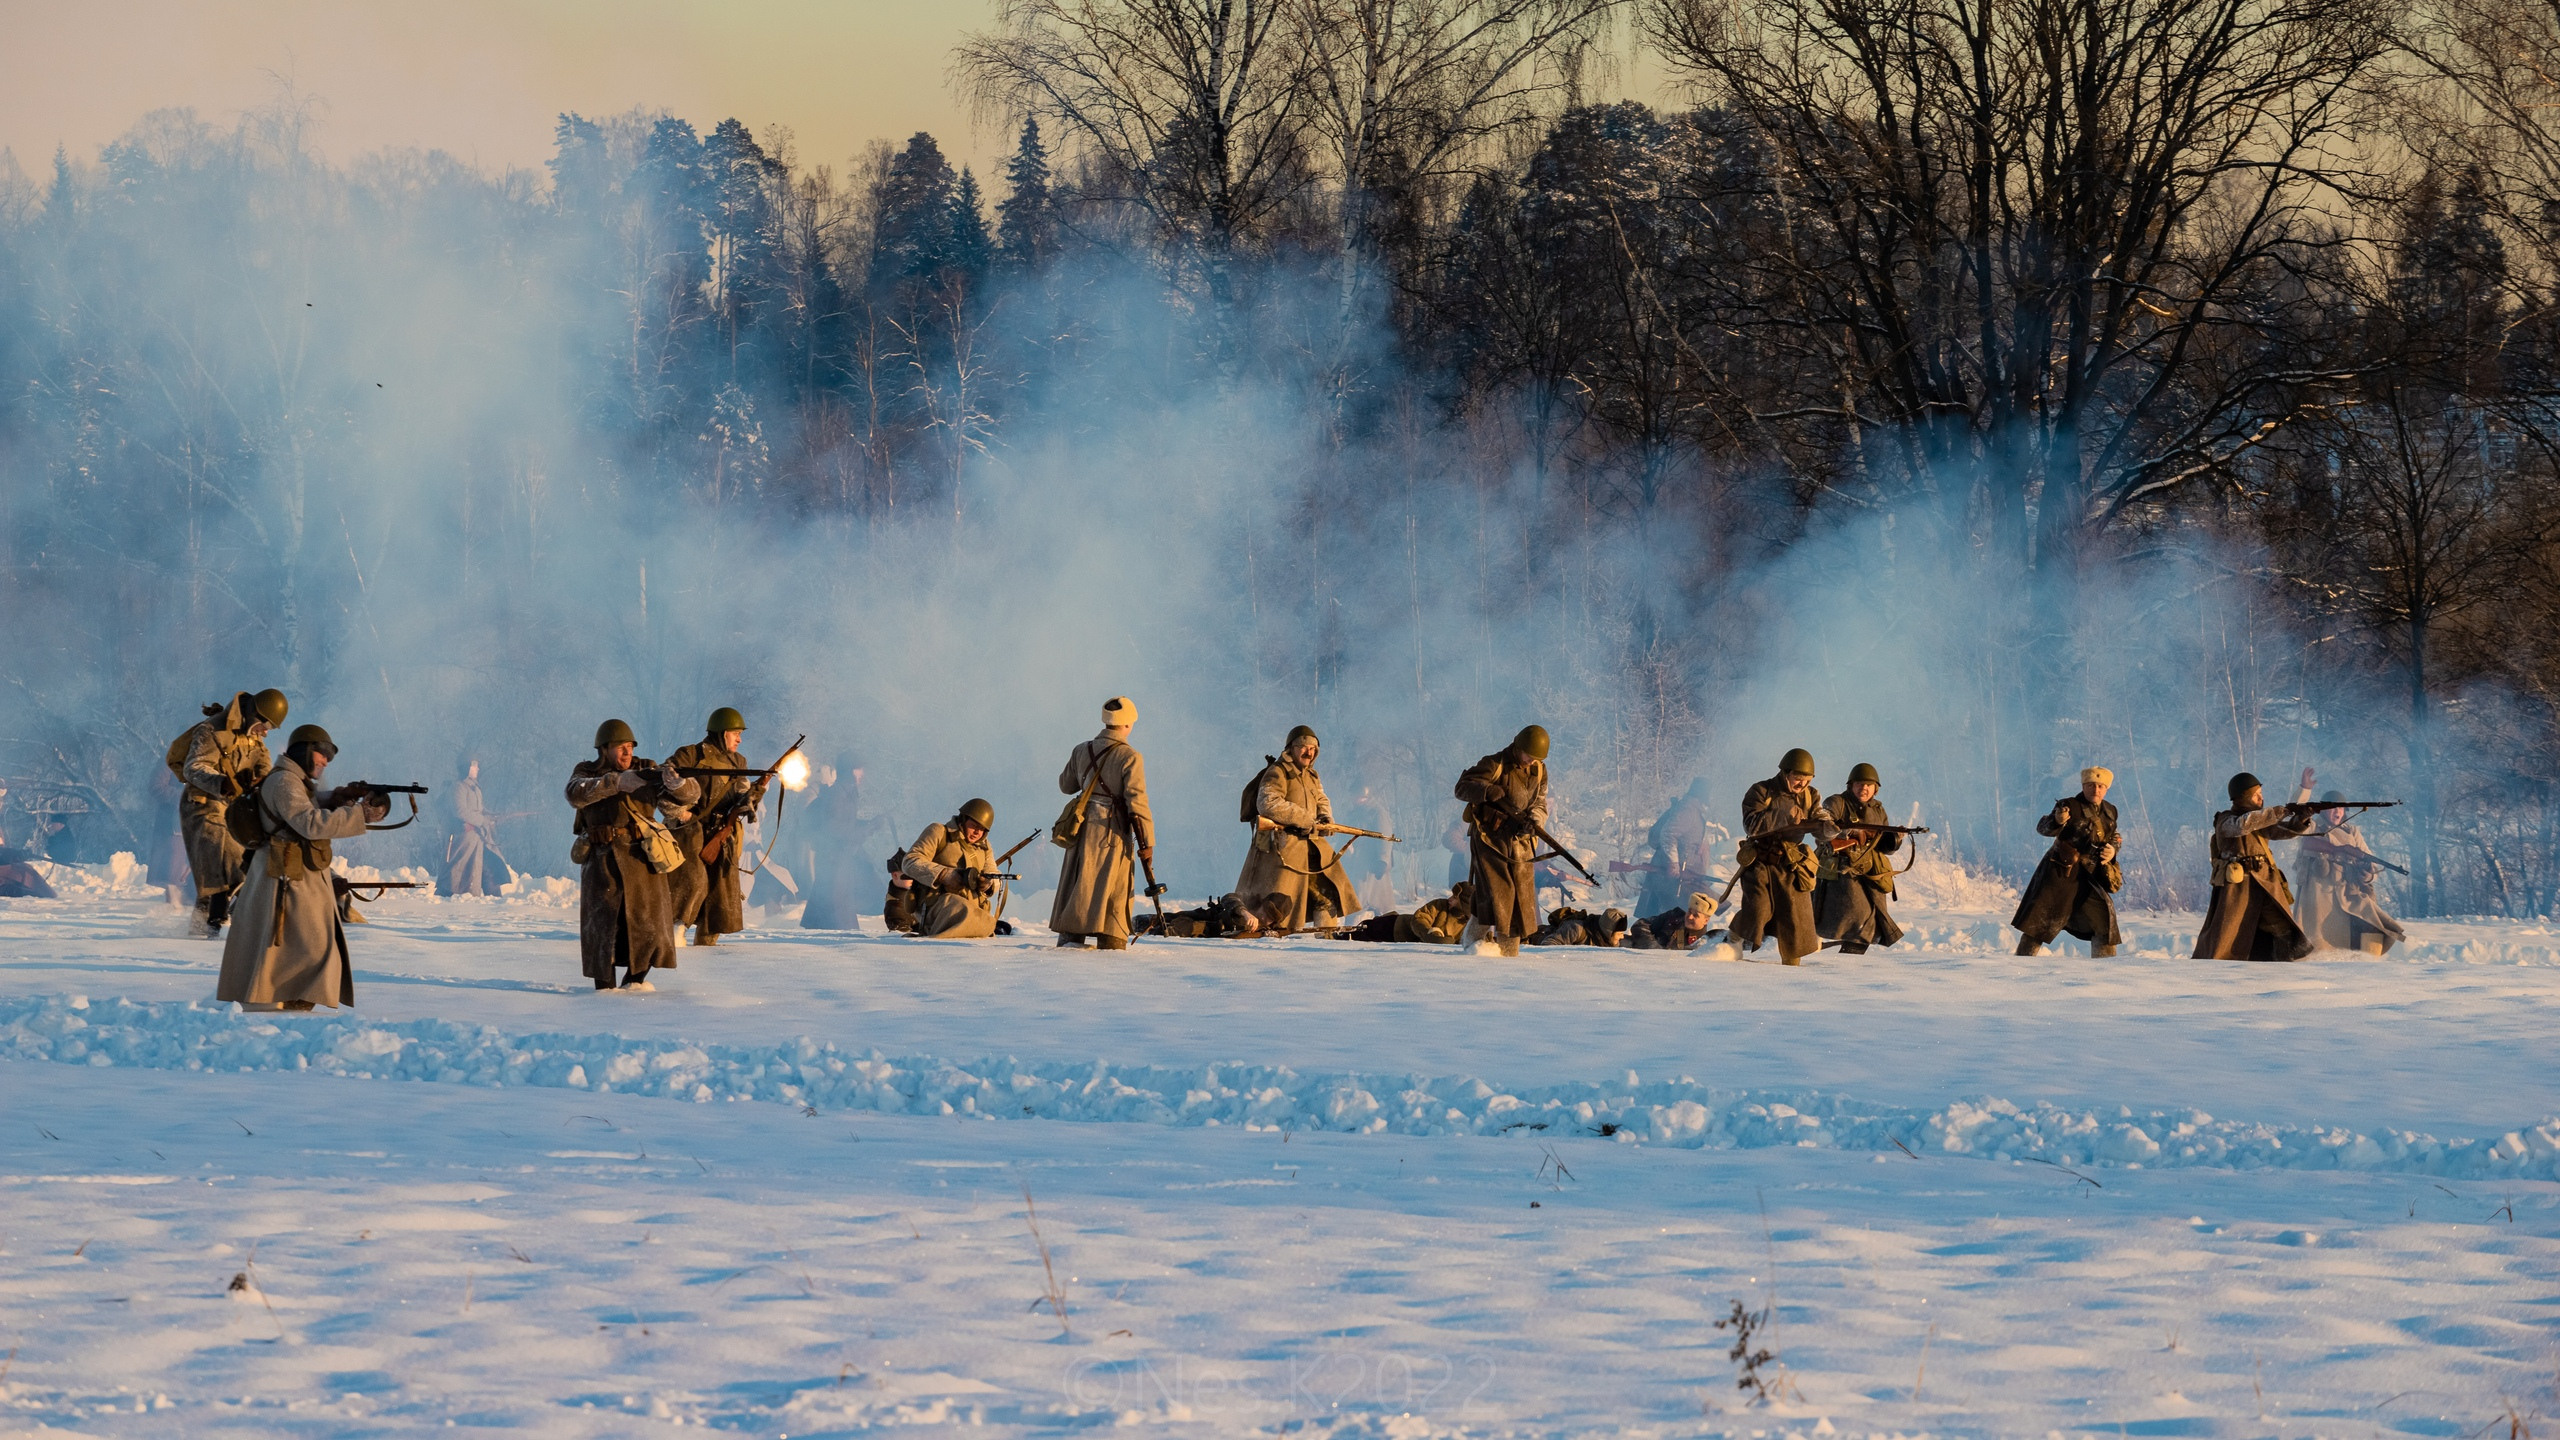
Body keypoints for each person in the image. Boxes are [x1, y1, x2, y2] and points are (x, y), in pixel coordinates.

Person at [214, 724, 388, 1012]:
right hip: (284, 878)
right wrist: (359, 814)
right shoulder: (285, 781)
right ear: (305, 752)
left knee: (309, 947)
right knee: (307, 947)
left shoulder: (292, 782)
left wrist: (336, 799)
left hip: (294, 875)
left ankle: (295, 999)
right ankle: (282, 1001)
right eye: (321, 755)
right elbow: (308, 823)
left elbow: (304, 807)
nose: (324, 762)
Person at [566, 719, 702, 991]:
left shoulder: (647, 769)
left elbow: (686, 799)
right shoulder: (587, 771)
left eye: (629, 747)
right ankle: (604, 992)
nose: (627, 753)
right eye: (620, 748)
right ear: (604, 750)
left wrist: (678, 785)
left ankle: (635, 984)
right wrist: (616, 783)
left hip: (642, 863)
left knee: (649, 929)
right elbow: (575, 794)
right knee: (602, 930)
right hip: (601, 862)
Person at [168, 688, 287, 936]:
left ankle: (204, 933)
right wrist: (222, 783)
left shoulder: (252, 736)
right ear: (255, 714)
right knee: (225, 860)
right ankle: (216, 926)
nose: (265, 732)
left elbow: (263, 763)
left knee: (224, 873)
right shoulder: (211, 730)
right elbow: (194, 767)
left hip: (234, 809)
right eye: (265, 726)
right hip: (202, 806)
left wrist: (262, 778)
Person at [1234, 725, 1362, 936]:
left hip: (1312, 847)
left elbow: (1321, 799)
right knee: (1279, 907)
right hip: (1283, 850)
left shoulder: (1311, 775)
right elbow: (1268, 802)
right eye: (1303, 746)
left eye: (1312, 748)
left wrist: (1325, 818)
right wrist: (1303, 818)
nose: (1308, 752)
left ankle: (1327, 940)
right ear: (1291, 748)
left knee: (1327, 894)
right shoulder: (1278, 771)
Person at [1051, 696, 1156, 950]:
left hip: (1081, 828)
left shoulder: (1081, 750)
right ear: (1128, 724)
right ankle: (1111, 941)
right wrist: (1148, 843)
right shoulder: (1130, 756)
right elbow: (1137, 803)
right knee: (1113, 891)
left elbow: (1066, 786)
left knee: (1077, 882)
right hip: (1112, 833)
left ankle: (1070, 937)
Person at [667, 707, 768, 948]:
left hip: (722, 835)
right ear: (722, 733)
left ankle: (707, 948)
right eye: (736, 733)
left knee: (719, 895)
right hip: (691, 832)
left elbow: (743, 802)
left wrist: (759, 789)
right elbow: (665, 780)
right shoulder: (691, 754)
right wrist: (682, 812)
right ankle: (675, 935)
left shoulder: (739, 761)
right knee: (693, 883)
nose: (740, 739)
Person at [1727, 749, 1837, 965]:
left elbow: (1818, 819)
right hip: (1761, 860)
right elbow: (1752, 825)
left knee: (1795, 916)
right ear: (1785, 773)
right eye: (1798, 779)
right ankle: (1732, 940)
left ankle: (1792, 968)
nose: (1802, 784)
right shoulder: (1761, 791)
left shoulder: (1810, 795)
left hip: (1791, 863)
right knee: (1758, 909)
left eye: (1807, 780)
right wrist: (1783, 816)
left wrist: (1829, 827)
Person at [2194, 768, 2317, 962]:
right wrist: (2280, 811)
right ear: (2242, 797)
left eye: (2261, 794)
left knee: (2280, 925)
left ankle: (2284, 963)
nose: (2261, 799)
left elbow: (2283, 831)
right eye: (2255, 795)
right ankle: (2215, 968)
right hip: (2238, 889)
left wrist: (2301, 819)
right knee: (2227, 934)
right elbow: (2242, 825)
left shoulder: (2260, 821)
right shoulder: (2226, 820)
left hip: (2264, 885)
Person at [1453, 726, 1551, 956]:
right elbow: (1461, 788)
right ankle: (1473, 945)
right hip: (1490, 841)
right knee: (1499, 895)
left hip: (1520, 841)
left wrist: (1534, 821)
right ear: (1518, 747)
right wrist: (1486, 791)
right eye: (1528, 755)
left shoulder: (1539, 769)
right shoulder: (1493, 763)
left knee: (1520, 899)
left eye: (1535, 758)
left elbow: (1540, 802)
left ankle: (1509, 955)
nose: (1530, 761)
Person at [2011, 766, 2125, 957]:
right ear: (2083, 786)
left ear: (2106, 789)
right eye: (2090, 785)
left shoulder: (2110, 811)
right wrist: (2058, 820)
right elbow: (2043, 828)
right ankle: (2021, 966)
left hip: (2089, 878)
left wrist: (2113, 849)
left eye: (2100, 786)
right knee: (2037, 926)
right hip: (2059, 876)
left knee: (2104, 925)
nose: (2095, 790)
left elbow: (2114, 836)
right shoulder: (2068, 805)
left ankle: (2106, 974)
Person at [2289, 784, 2406, 955]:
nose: (2338, 812)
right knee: (2318, 947)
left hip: (2347, 895)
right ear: (2321, 810)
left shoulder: (2352, 832)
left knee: (2374, 926)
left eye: (2342, 808)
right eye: (2333, 807)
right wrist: (2305, 788)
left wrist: (2367, 875)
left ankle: (2370, 967)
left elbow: (2369, 863)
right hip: (2318, 898)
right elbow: (2298, 819)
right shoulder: (2312, 827)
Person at [1814, 762, 1905, 953]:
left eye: (1869, 785)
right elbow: (1823, 825)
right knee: (1854, 917)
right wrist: (1850, 833)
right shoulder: (1837, 802)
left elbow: (1884, 847)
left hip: (1871, 872)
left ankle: (1851, 960)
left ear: (1875, 789)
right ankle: (1835, 957)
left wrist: (1894, 839)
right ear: (1851, 785)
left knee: (1871, 922)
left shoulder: (1878, 810)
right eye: (1859, 784)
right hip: (1842, 871)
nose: (1864, 788)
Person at [895, 799, 1003, 939]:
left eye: (982, 829)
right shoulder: (938, 832)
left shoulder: (985, 847)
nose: (977, 832)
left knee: (988, 922)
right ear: (963, 819)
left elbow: (993, 873)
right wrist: (944, 874)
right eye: (974, 826)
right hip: (938, 906)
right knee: (961, 911)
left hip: (974, 911)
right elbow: (910, 861)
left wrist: (988, 884)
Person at [1639, 778, 1717, 918]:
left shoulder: (1692, 809)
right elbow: (1668, 834)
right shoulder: (1687, 810)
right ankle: (1670, 940)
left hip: (1681, 876)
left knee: (1677, 918)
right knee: (1673, 919)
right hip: (1674, 879)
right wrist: (1673, 863)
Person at [445, 758, 498, 896]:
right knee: (458, 868)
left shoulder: (475, 788)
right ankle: (450, 893)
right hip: (464, 837)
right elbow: (459, 810)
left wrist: (490, 816)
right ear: (467, 768)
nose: (478, 769)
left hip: (478, 836)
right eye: (475, 767)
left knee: (481, 868)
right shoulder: (459, 787)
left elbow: (479, 809)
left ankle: (481, 894)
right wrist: (482, 820)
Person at [1628, 890, 1719, 951]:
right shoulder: (1673, 917)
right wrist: (1653, 948)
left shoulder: (1705, 943)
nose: (1690, 917)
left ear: (1706, 921)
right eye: (1689, 911)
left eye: (1695, 915)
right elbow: (1640, 925)